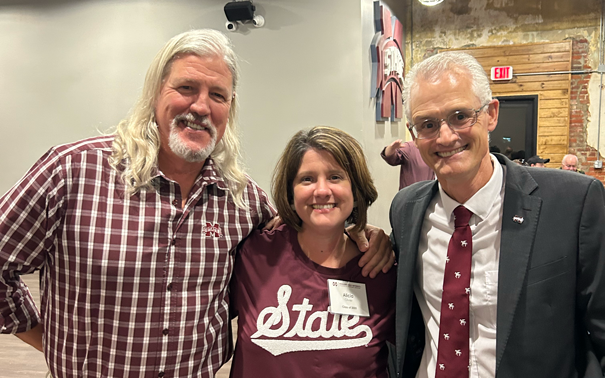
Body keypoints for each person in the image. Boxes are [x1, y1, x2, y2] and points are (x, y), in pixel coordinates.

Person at [0, 30, 393, 378]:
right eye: (187, 88)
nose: (202, 107)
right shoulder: (72, 173)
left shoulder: (243, 201)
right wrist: (45, 339)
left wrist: (363, 232)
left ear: (229, 110)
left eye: (217, 95)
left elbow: (307, 226)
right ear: (156, 93)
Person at [389, 51, 605, 378]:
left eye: (460, 116)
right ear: (413, 133)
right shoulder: (405, 209)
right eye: (428, 124)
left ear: (491, 114)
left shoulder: (572, 202)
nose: (445, 137)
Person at [230, 126, 396, 378]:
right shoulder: (254, 254)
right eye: (307, 179)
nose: (321, 190)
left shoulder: (380, 268)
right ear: (290, 191)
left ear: (356, 189)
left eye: (335, 177)